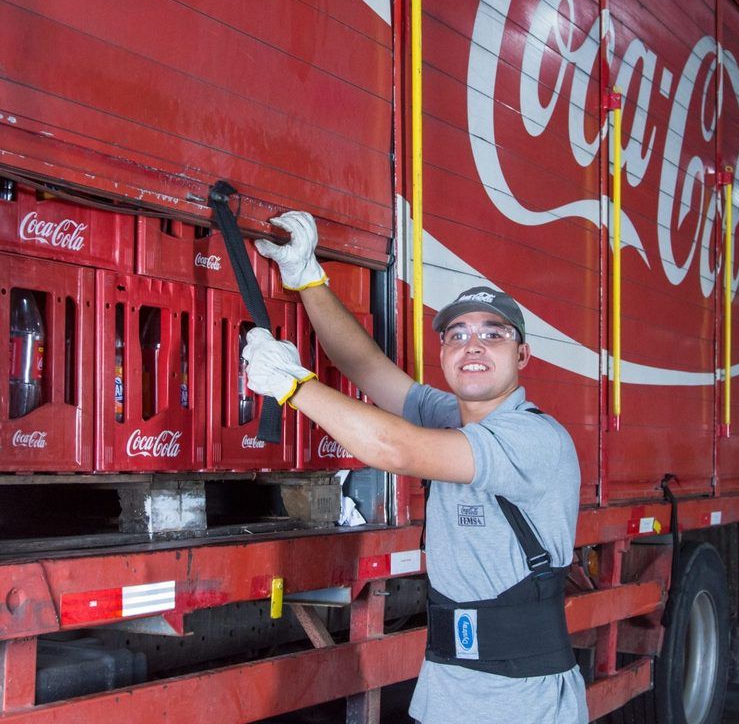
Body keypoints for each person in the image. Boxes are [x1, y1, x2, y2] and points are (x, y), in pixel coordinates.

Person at [243, 211, 588, 724]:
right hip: (448, 688)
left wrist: (294, 386)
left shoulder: (534, 439)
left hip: (521, 700)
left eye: (493, 335)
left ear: (523, 355)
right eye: (457, 334)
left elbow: (396, 449)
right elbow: (367, 369)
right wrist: (308, 278)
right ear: (445, 352)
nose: (473, 345)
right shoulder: (451, 417)